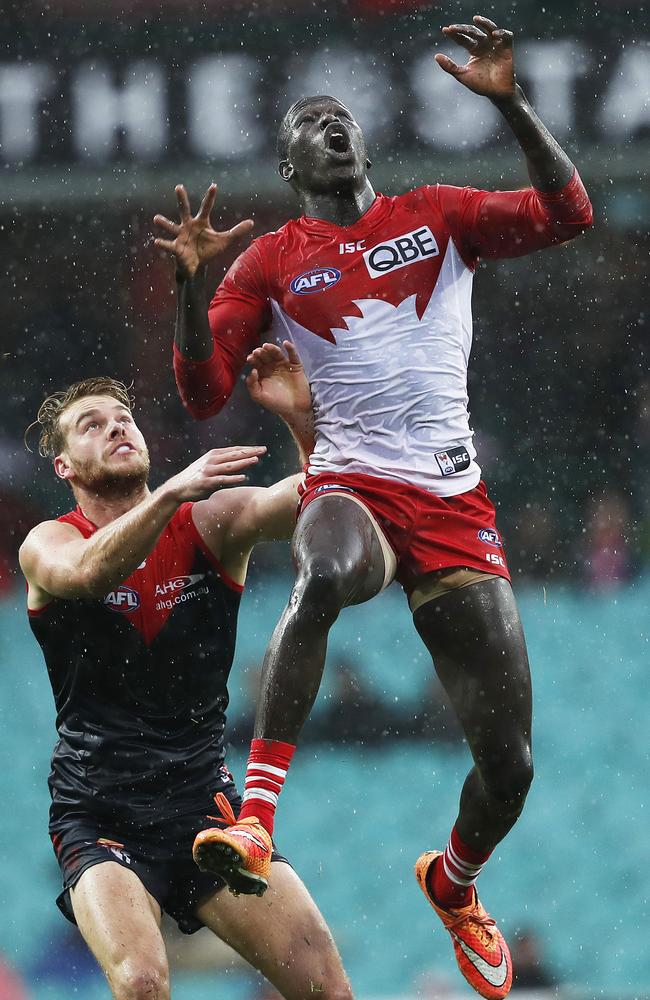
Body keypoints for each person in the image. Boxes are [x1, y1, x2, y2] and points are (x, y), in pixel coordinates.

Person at [154, 15, 593, 1000]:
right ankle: (254, 818)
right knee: (324, 573)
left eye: (341, 116)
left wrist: (511, 105)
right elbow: (197, 387)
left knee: (510, 766)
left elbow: (568, 214)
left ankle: (453, 880)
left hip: (450, 499)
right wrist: (189, 293)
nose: (331, 126)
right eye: (311, 121)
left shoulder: (436, 214)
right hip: (349, 480)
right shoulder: (271, 262)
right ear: (287, 161)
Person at [18, 358, 353, 1000]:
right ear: (63, 466)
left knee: (328, 992)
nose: (116, 429)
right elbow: (89, 573)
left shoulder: (210, 519)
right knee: (143, 983)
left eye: (124, 419)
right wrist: (172, 492)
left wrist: (301, 419)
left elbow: (321, 504)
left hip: (205, 799)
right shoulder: (48, 543)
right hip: (99, 808)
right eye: (91, 426)